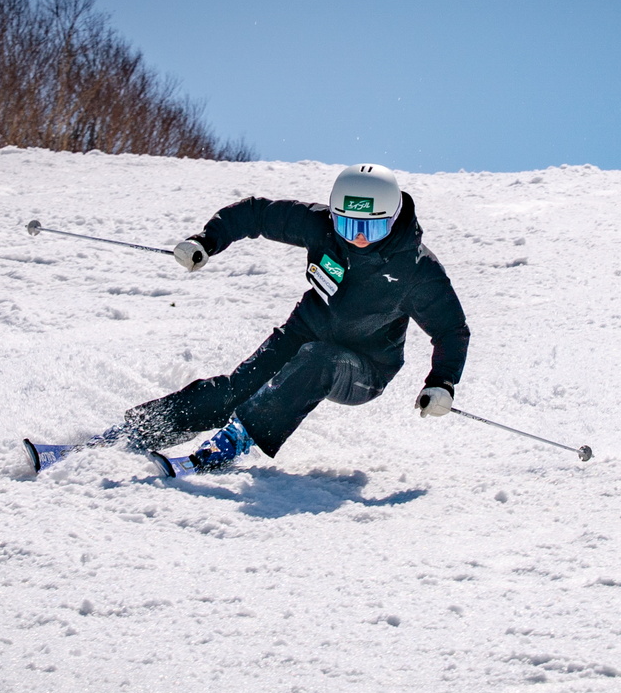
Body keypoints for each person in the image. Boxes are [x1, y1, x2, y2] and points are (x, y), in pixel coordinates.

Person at [35, 163, 470, 476]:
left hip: (365, 370)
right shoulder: (320, 227)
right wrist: (207, 239)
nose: (356, 239)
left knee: (318, 360)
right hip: (303, 332)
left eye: (370, 229)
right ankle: (132, 431)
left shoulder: (416, 270)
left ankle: (234, 441)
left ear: (393, 220)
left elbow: (451, 330)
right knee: (231, 390)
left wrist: (441, 383)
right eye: (346, 224)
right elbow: (258, 213)